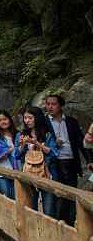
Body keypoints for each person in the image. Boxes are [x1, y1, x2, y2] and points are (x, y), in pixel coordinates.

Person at [43, 94, 84, 224]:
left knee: (72, 193)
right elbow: (40, 140)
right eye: (48, 104)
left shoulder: (71, 121)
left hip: (71, 160)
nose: (50, 107)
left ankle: (70, 222)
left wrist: (90, 160)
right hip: (54, 162)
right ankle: (58, 222)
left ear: (60, 105)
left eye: (53, 104)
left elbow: (80, 141)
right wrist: (53, 143)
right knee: (58, 192)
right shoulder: (44, 123)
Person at [17, 106, 56, 216]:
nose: (27, 121)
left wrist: (37, 143)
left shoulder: (47, 134)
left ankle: (49, 232)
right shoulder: (22, 134)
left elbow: (53, 153)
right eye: (25, 118)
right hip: (28, 173)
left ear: (37, 118)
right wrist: (22, 145)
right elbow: (17, 155)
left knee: (48, 210)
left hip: (46, 174)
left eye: (30, 118)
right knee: (30, 207)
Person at [0, 111, 18, 199]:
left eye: (5, 119)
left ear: (9, 120)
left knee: (16, 198)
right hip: (1, 172)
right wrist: (8, 150)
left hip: (16, 171)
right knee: (5, 197)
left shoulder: (17, 134)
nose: (3, 122)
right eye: (0, 120)